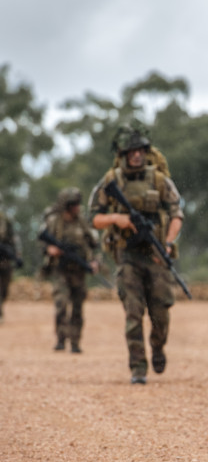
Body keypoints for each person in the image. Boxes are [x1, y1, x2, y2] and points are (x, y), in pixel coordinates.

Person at [88, 120, 184, 385]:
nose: (137, 155)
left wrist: (166, 242)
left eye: (141, 150)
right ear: (124, 155)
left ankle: (158, 347)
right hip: (128, 256)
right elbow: (94, 218)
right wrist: (116, 220)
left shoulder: (159, 180)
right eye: (131, 152)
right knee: (133, 313)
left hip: (155, 254)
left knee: (161, 313)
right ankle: (138, 368)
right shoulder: (112, 181)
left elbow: (177, 214)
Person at [40, 187, 99, 352]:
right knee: (61, 303)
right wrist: (49, 249)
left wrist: (94, 263)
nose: (77, 207)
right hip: (61, 269)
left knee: (78, 307)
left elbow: (94, 245)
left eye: (78, 204)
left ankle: (75, 342)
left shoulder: (82, 222)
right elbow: (43, 242)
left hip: (79, 270)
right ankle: (61, 338)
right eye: (73, 204)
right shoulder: (54, 222)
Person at [0, 195, 23, 323]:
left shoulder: (5, 221)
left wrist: (18, 256)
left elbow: (14, 239)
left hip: (5, 261)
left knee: (4, 290)